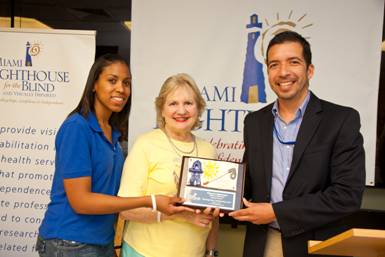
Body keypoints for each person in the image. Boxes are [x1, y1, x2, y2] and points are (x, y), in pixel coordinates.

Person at [36, 54, 189, 257]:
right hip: (69, 242)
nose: (121, 89)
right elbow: (81, 201)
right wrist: (150, 200)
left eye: (126, 83)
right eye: (112, 80)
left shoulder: (114, 133)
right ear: (94, 85)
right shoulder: (77, 128)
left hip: (102, 241)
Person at [229, 31, 365, 257]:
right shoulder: (254, 122)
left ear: (309, 70)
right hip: (263, 244)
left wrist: (276, 212)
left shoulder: (341, 120)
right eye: (274, 64)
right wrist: (216, 200)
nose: (283, 72)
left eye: (293, 62)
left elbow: (346, 195)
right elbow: (250, 185)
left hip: (316, 246)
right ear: (268, 72)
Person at [118, 73, 220, 257]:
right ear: (162, 110)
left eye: (188, 103)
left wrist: (211, 251)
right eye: (173, 103)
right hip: (145, 252)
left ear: (199, 108)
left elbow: (212, 215)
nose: (181, 111)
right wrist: (181, 215)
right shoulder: (145, 144)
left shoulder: (209, 151)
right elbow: (126, 209)